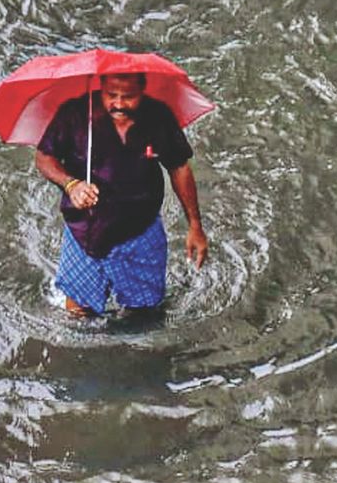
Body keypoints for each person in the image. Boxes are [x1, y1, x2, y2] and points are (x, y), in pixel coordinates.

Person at [34, 72, 208, 316]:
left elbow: (179, 167)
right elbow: (44, 157)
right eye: (111, 95)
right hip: (85, 232)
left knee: (145, 312)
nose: (118, 104)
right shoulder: (75, 114)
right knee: (78, 313)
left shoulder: (158, 117)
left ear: (143, 89)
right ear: (101, 86)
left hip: (140, 231)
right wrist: (71, 184)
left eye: (128, 97)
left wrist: (195, 225)